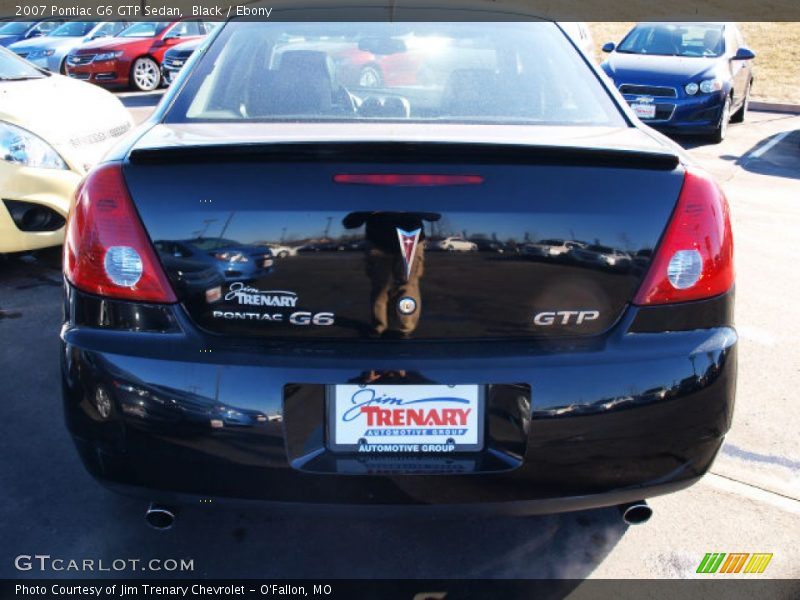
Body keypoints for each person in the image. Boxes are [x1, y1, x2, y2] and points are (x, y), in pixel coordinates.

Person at [342, 211, 440, 338]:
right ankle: (380, 327)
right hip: (378, 244)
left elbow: (434, 215)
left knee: (406, 287)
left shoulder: (415, 194)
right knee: (382, 288)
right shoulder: (370, 195)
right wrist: (370, 210)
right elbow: (350, 222)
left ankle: (402, 329)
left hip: (409, 240)